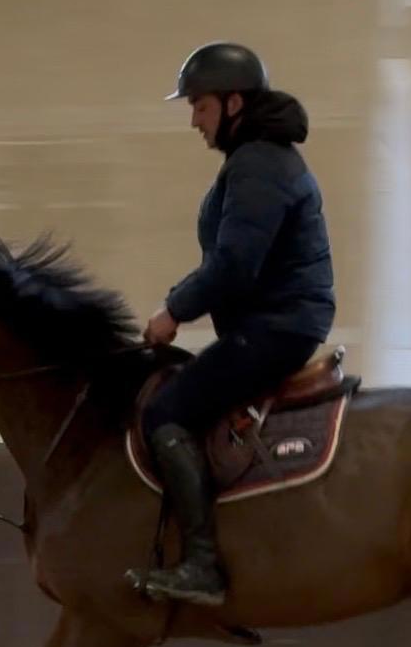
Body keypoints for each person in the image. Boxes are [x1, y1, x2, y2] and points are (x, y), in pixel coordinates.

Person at [136, 41, 336, 607]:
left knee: (166, 414)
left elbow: (232, 267)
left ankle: (202, 567)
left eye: (199, 106)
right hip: (275, 321)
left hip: (277, 326)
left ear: (233, 103)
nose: (194, 120)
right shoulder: (256, 158)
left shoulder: (258, 163)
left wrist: (172, 311)